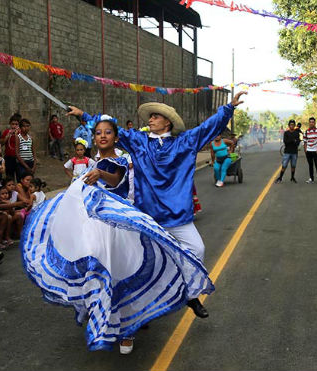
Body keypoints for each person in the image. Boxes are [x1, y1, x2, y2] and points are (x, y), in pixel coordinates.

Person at [21, 114, 214, 355]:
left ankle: (128, 330)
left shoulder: (121, 162)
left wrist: (101, 175)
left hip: (118, 230)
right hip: (95, 230)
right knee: (97, 275)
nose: (102, 136)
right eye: (98, 132)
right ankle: (107, 319)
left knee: (122, 276)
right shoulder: (91, 162)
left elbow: (116, 178)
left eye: (108, 132)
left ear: (116, 137)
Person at [67, 91, 247, 320]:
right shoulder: (139, 142)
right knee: (136, 264)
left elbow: (208, 128)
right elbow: (111, 129)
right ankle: (131, 310)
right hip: (148, 219)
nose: (150, 120)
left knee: (198, 249)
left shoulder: (185, 143)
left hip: (178, 218)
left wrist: (228, 109)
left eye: (155, 117)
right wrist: (83, 115)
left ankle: (190, 295)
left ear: (167, 122)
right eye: (150, 117)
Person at [303, 117, 317, 184]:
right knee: (310, 165)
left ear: (315, 123)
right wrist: (305, 150)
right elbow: (305, 142)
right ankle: (311, 178)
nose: (311, 123)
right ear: (309, 123)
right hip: (308, 151)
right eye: (310, 122)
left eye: (313, 122)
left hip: (315, 151)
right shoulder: (306, 132)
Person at [0, 114, 20, 182]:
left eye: (16, 124)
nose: (14, 126)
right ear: (10, 124)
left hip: (18, 158)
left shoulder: (20, 133)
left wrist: (17, 135)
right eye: (12, 124)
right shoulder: (6, 132)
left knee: (19, 176)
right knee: (10, 177)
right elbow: (2, 143)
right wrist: (7, 136)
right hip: (8, 157)